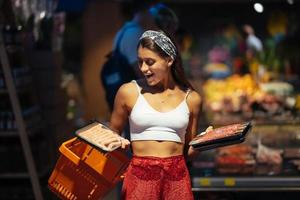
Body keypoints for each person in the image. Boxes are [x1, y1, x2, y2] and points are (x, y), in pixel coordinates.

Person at [104, 30, 202, 200]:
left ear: (169, 60)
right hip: (140, 178)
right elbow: (111, 135)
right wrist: (115, 142)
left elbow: (189, 151)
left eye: (149, 62)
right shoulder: (128, 92)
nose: (143, 69)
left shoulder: (192, 99)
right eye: (140, 62)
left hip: (177, 179)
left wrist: (206, 141)